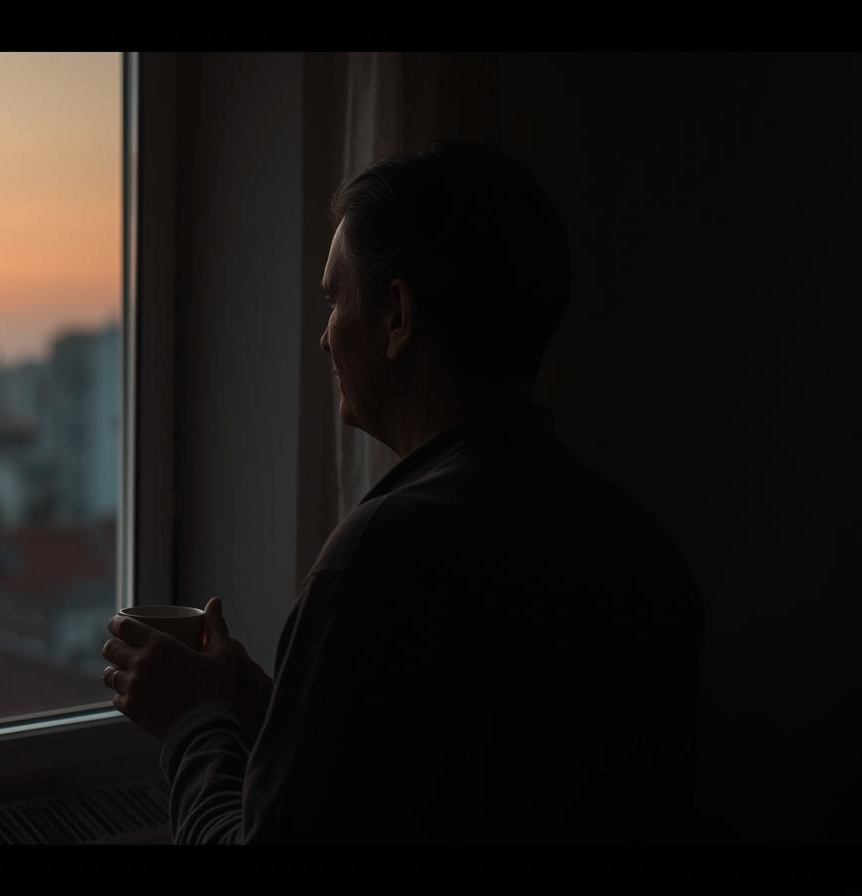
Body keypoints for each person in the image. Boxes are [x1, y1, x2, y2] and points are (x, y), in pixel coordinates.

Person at [101, 141, 702, 844]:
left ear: (397, 317)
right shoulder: (637, 548)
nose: (324, 339)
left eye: (333, 300)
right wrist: (281, 719)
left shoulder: (382, 559)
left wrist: (193, 725)